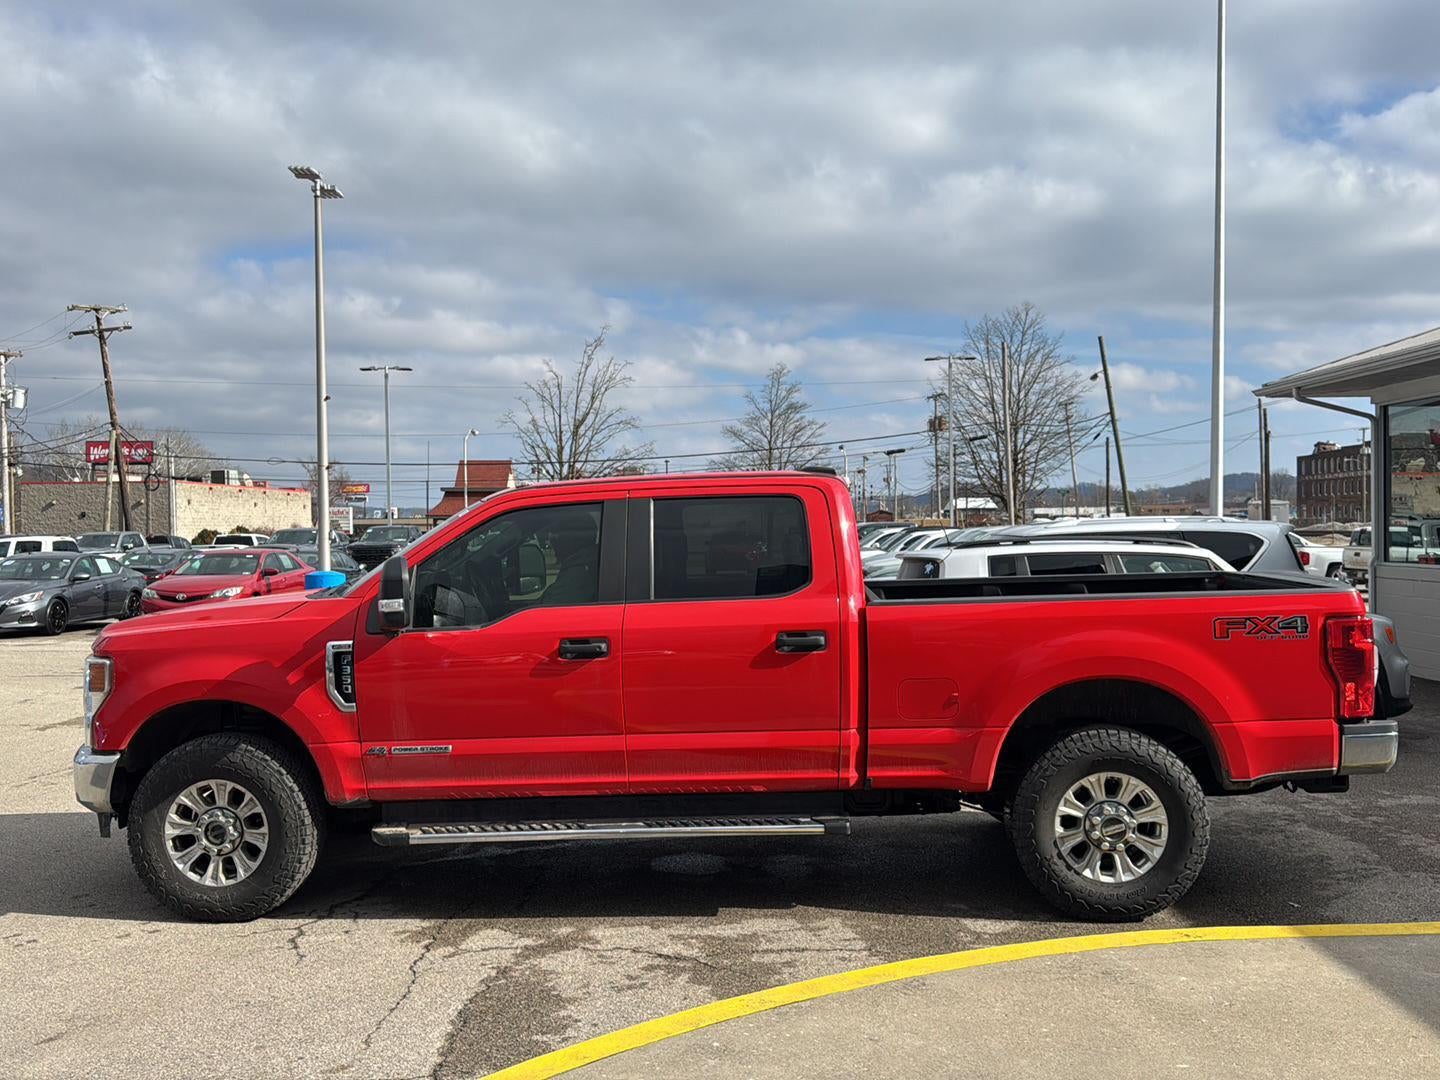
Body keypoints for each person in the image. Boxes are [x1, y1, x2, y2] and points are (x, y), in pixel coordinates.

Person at [540, 512, 599, 605]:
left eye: (556, 535)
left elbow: (546, 611)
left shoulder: (576, 577)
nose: (551, 541)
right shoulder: (588, 565)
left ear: (571, 539)